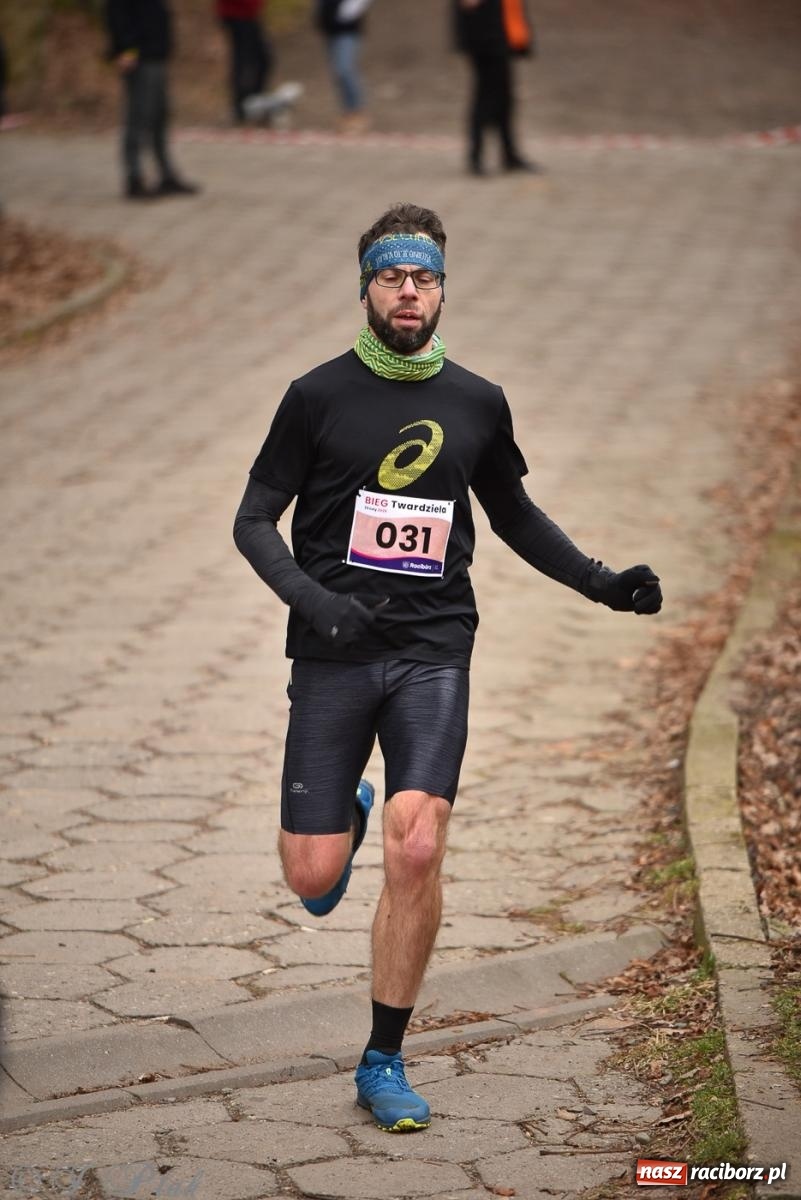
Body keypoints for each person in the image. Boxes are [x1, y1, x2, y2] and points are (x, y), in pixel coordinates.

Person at [233, 201, 662, 1133]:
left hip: (434, 649)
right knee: (311, 879)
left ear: (442, 287)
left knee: (418, 844)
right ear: (366, 289)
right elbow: (252, 521)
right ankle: (340, 817)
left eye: (424, 277)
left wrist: (600, 582)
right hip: (334, 651)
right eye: (392, 277)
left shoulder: (475, 399)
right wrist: (316, 603)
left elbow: (511, 514)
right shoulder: (315, 396)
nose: (409, 292)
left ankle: (382, 1057)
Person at [105, 0, 200, 200]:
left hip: (157, 54)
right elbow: (116, 13)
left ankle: (166, 174)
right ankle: (134, 178)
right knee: (138, 118)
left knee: (159, 117)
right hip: (140, 57)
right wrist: (126, 49)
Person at [453, 0, 539, 176]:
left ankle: (509, 154)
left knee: (504, 99)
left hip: (501, 39)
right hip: (485, 41)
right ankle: (476, 157)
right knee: (485, 99)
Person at [315, 0, 372, 134]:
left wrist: (339, 19)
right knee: (338, 72)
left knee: (344, 69)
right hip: (331, 31)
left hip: (346, 31)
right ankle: (348, 113)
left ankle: (356, 112)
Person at [215, 0, 272, 125]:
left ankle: (252, 105)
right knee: (245, 61)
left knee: (261, 59)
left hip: (247, 14)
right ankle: (242, 108)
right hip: (239, 13)